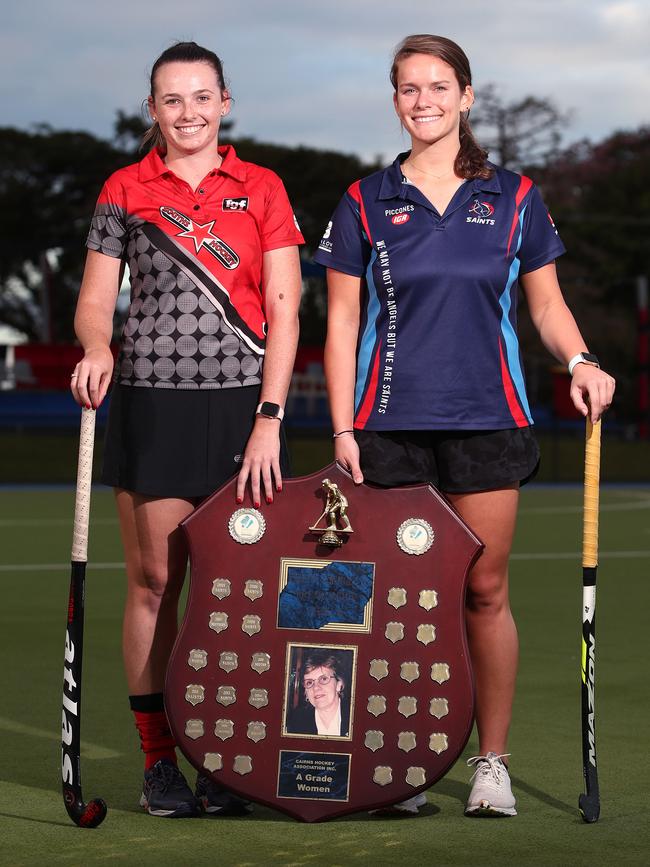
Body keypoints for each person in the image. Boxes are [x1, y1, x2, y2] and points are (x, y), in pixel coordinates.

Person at [314, 34, 615, 818]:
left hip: (488, 417)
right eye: (409, 88)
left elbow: (545, 305)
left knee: (483, 589)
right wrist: (343, 426)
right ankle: (403, 763)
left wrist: (580, 359)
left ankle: (491, 763)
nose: (425, 101)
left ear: (467, 96)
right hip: (388, 425)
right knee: (398, 596)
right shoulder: (363, 200)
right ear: (395, 102)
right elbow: (342, 323)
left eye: (438, 86)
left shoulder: (516, 197)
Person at [70, 41, 303, 818]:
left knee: (238, 592)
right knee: (155, 585)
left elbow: (284, 308)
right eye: (172, 99)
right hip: (150, 403)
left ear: (225, 102)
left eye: (202, 96)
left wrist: (270, 418)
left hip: (243, 410)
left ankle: (227, 759)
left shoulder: (263, 186)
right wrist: (97, 343)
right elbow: (97, 299)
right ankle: (159, 761)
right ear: (152, 111)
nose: (189, 111)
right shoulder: (125, 188)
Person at [287, 651, 350, 737]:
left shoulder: (356, 717)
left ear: (339, 685)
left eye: (323, 679)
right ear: (306, 692)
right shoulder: (295, 722)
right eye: (309, 682)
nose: (316, 687)